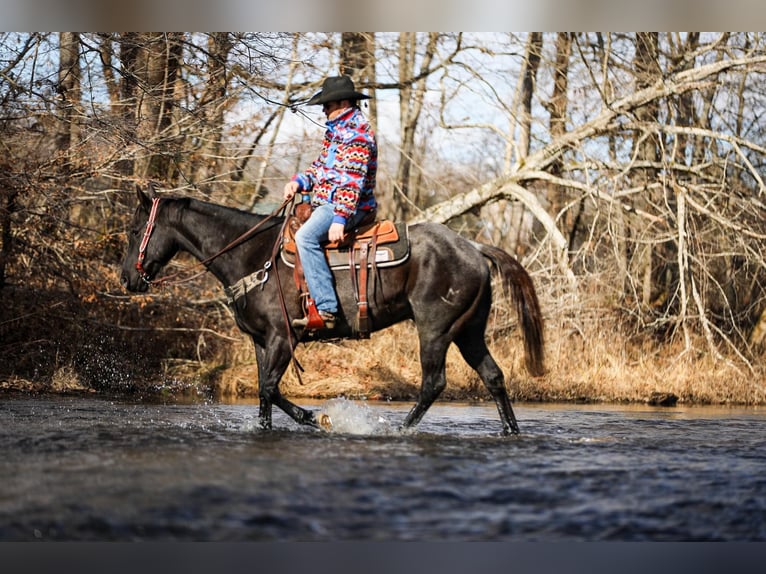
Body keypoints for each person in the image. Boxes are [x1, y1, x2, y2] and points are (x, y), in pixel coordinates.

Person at [283, 75, 378, 330]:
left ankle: (326, 310)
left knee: (305, 238)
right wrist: (299, 182)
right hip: (329, 201)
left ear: (344, 102)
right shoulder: (335, 134)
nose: (324, 109)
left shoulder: (357, 135)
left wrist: (340, 217)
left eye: (327, 104)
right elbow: (320, 169)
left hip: (350, 206)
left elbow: (352, 180)